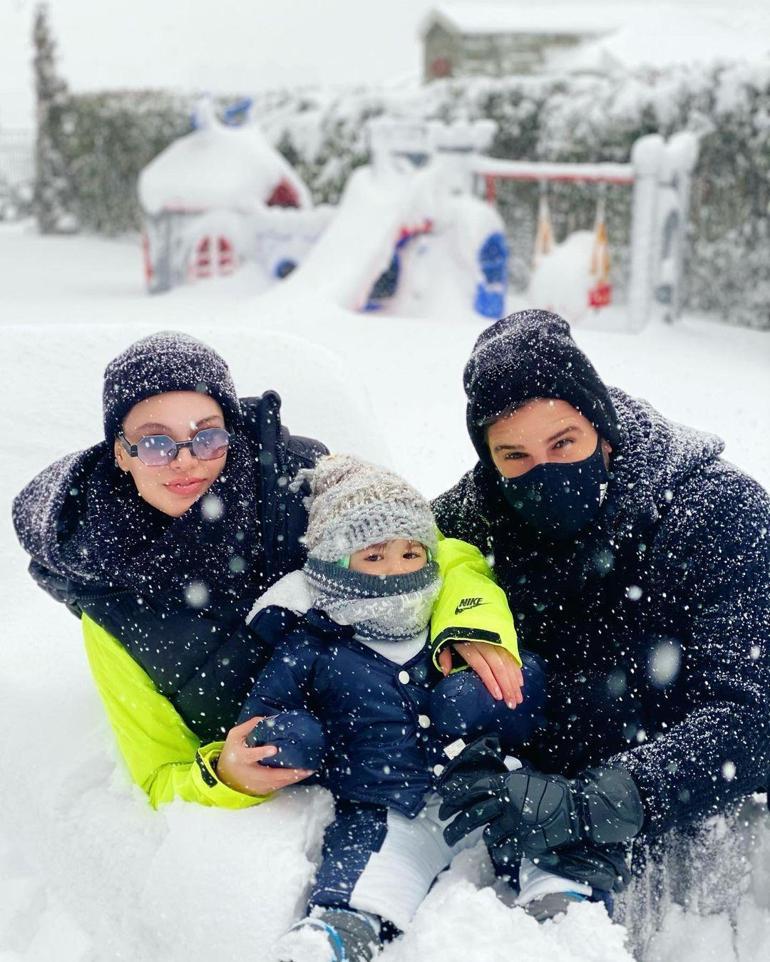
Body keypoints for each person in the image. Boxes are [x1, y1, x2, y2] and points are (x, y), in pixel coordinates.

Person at [12, 331, 522, 812]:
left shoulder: (304, 482)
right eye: (155, 443)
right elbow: (159, 773)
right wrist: (224, 774)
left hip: (414, 727)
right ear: (121, 454)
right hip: (317, 781)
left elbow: (441, 551)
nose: (186, 461)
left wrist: (472, 621)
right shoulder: (109, 597)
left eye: (207, 437)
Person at [432, 310, 770, 904]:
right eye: (515, 455)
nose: (545, 471)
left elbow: (753, 720)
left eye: (564, 442)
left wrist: (596, 804)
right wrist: (457, 619)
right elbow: (382, 552)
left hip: (681, 800)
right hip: (527, 783)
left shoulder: (719, 514)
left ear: (602, 426)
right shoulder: (480, 511)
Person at [238, 454, 589, 962]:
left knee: (543, 818)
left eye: (410, 554)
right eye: (373, 558)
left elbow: (525, 692)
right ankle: (337, 934)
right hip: (388, 806)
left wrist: (495, 694)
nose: (396, 571)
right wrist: (291, 735)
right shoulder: (313, 646)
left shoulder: (450, 624)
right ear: (333, 565)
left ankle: (564, 911)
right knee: (369, 871)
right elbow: (264, 709)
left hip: (486, 789)